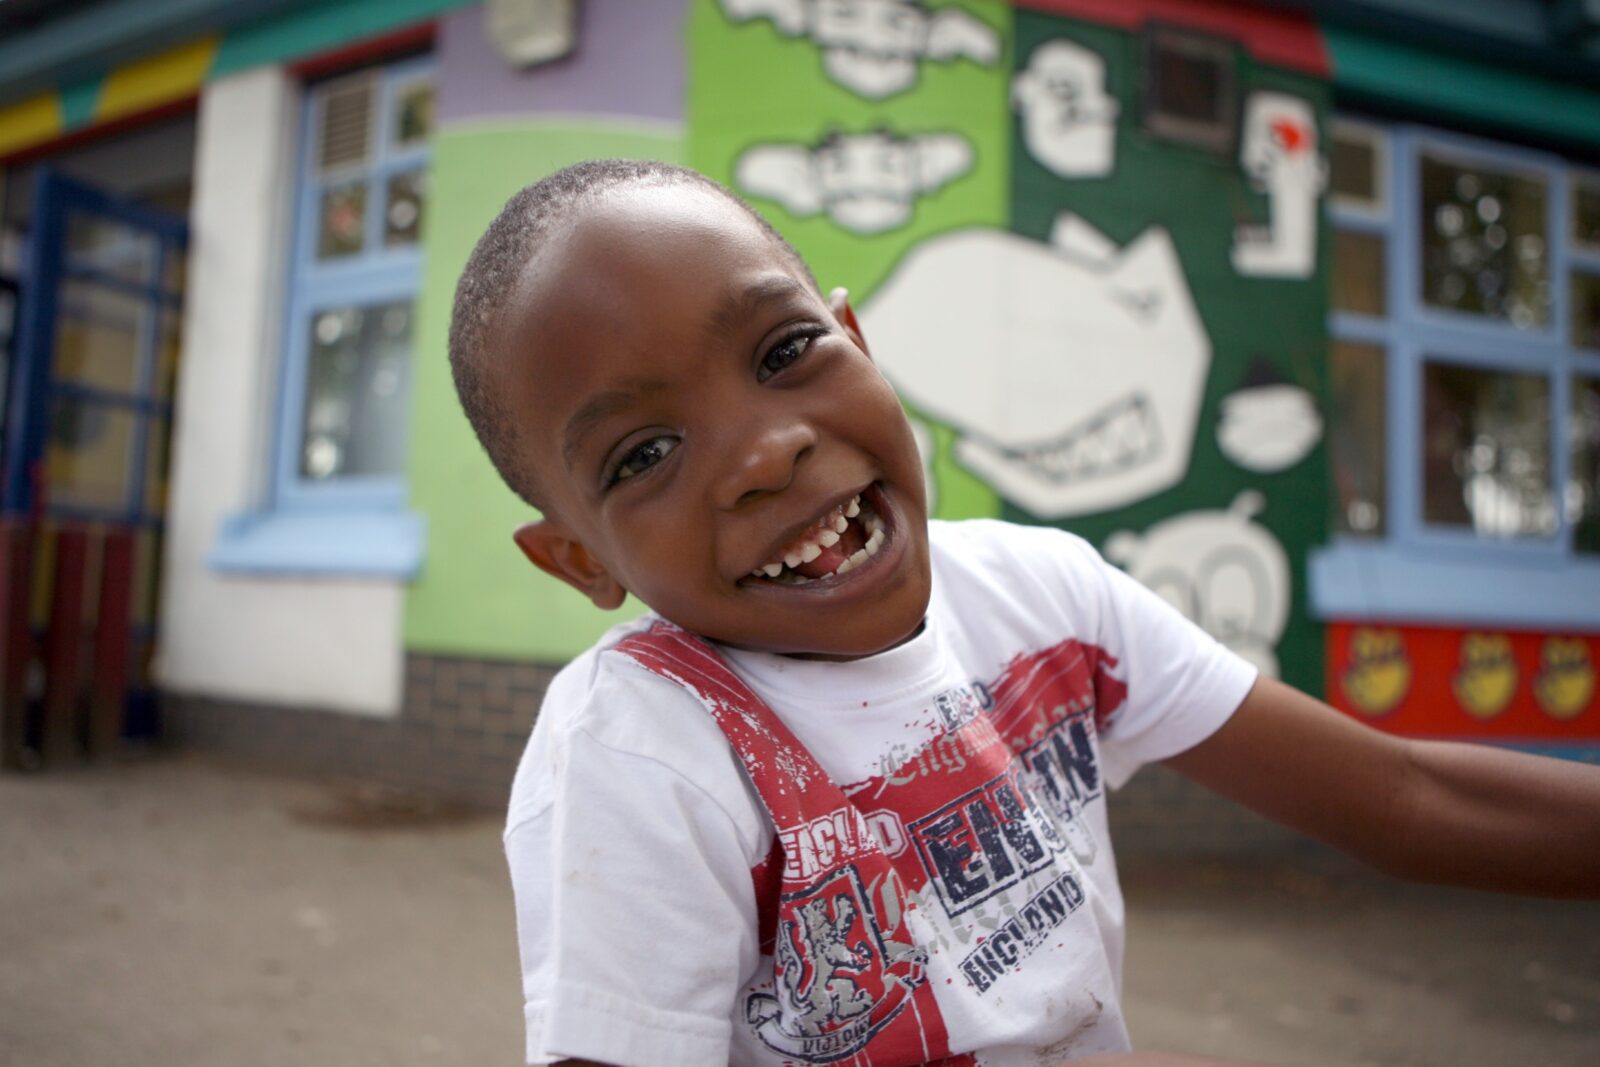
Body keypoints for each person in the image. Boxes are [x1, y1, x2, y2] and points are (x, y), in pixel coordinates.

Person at [447, 159, 1600, 1067]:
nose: (765, 448)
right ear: (574, 560)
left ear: (859, 340)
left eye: (786, 350)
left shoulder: (1043, 596)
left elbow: (1404, 797)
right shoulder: (640, 747)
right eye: (644, 452)